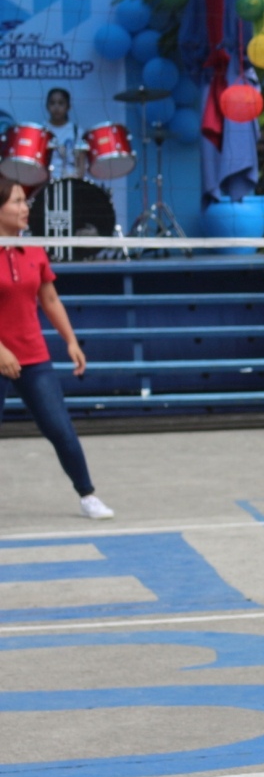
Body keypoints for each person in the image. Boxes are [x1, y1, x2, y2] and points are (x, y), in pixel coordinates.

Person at [0, 174, 114, 519]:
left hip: (33, 356)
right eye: (17, 201)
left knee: (60, 428)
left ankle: (88, 495)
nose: (25, 207)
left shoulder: (34, 248)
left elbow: (49, 298)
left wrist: (71, 341)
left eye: (25, 201)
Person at [43, 88, 85, 180]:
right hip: (46, 180)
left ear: (68, 106)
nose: (56, 107)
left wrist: (78, 181)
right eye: (52, 103)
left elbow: (81, 163)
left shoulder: (76, 131)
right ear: (47, 106)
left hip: (70, 180)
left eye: (61, 103)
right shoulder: (42, 131)